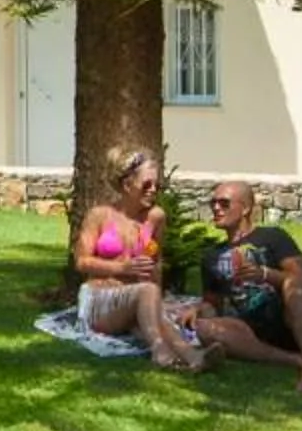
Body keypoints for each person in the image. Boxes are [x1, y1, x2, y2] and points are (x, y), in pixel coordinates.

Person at [73, 147, 207, 372]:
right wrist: (121, 267)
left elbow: (157, 262)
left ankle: (192, 357)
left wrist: (157, 296)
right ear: (127, 184)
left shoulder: (155, 218)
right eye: (147, 184)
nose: (153, 190)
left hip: (136, 299)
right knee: (147, 292)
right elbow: (81, 262)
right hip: (100, 300)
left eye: (157, 185)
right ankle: (160, 352)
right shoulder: (100, 215)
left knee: (150, 297)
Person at [194, 179, 302, 393]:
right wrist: (199, 310)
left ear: (245, 208)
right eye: (213, 203)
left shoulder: (273, 237)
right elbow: (212, 303)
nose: (216, 208)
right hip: (251, 330)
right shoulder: (211, 256)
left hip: (291, 318)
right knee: (204, 327)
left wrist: (264, 274)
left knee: (297, 285)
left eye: (224, 203)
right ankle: (296, 360)